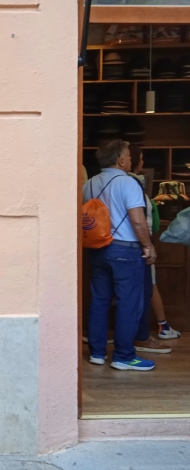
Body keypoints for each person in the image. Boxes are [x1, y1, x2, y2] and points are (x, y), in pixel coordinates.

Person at [82, 140, 157, 371]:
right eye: (129, 156)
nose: (131, 160)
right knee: (128, 303)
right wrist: (148, 246)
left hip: (98, 249)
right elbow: (138, 220)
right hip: (125, 249)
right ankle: (124, 356)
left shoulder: (89, 184)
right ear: (121, 160)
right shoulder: (128, 183)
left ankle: (96, 353)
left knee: (99, 300)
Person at [128, 145, 173, 354]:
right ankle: (150, 333)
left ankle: (119, 338)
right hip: (137, 248)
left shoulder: (102, 183)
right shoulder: (136, 188)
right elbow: (145, 223)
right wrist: (148, 245)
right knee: (146, 289)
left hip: (109, 248)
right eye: (141, 158)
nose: (143, 163)